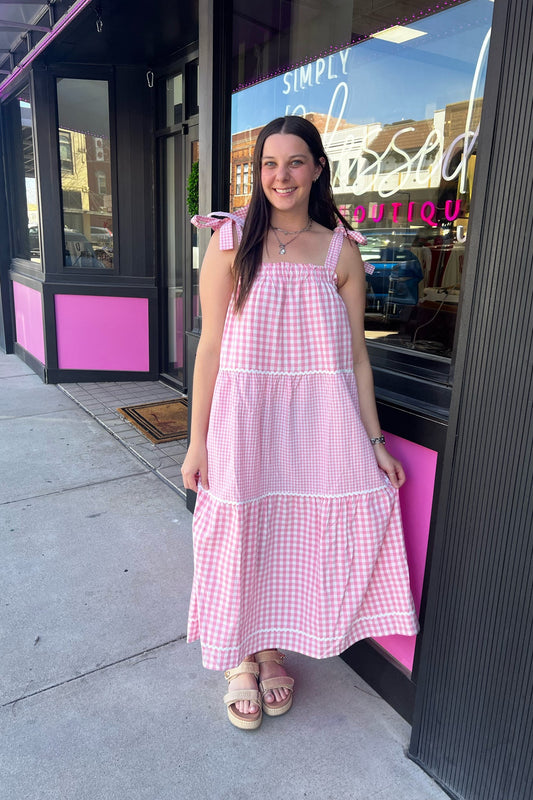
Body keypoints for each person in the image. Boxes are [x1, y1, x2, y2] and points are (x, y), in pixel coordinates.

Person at [181, 115, 419, 730]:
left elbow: (357, 358)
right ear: (257, 174)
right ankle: (239, 658)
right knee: (241, 530)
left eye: (294, 162)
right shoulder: (231, 239)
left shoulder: (341, 250)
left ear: (317, 168)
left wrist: (375, 443)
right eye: (268, 164)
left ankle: (270, 647)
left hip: (319, 423)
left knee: (288, 533)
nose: (280, 176)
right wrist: (195, 441)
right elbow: (209, 347)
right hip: (244, 419)